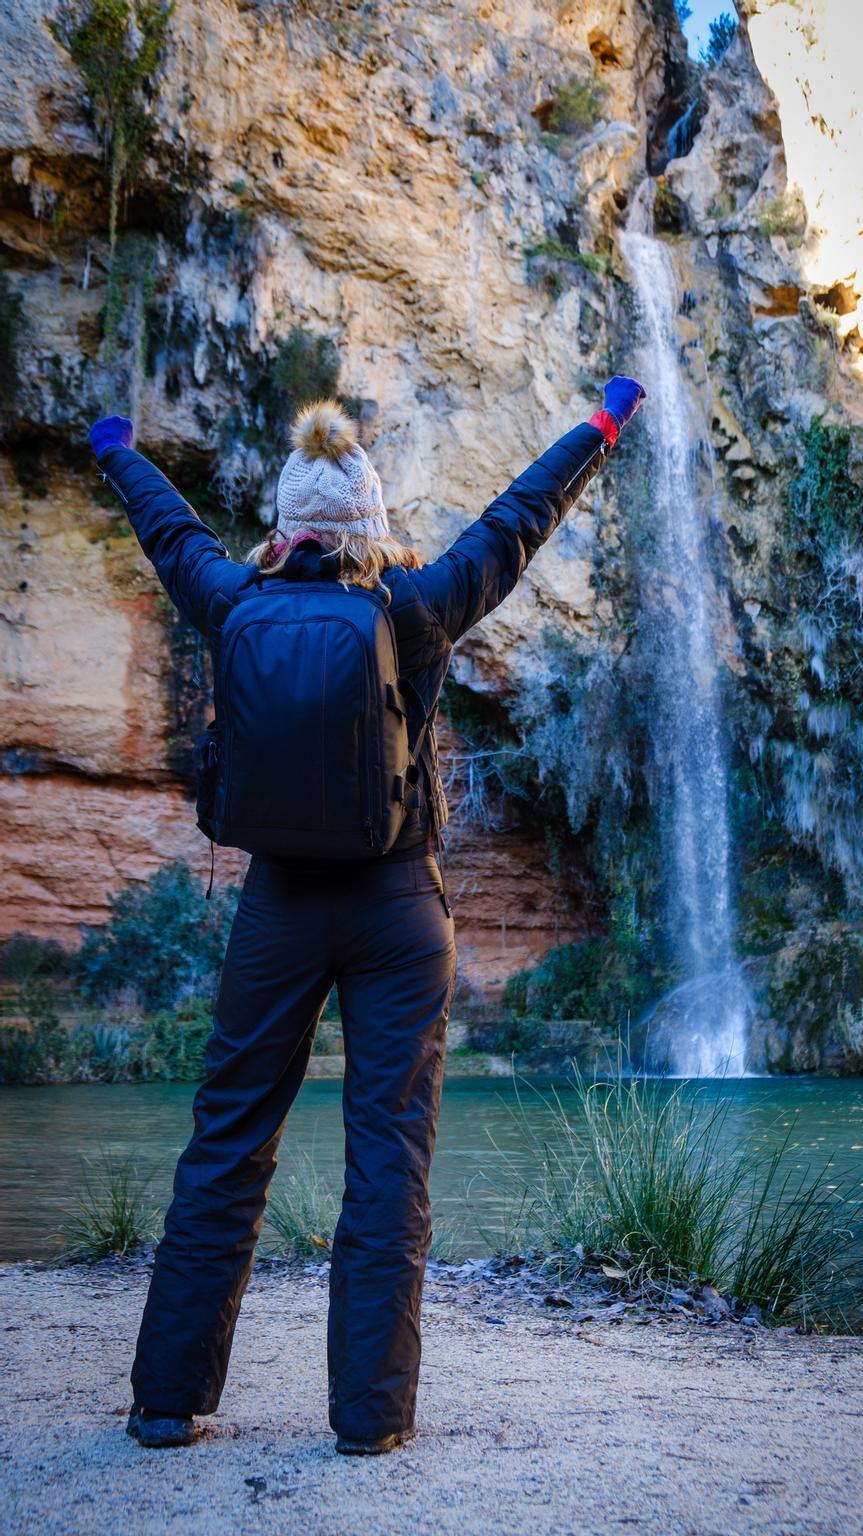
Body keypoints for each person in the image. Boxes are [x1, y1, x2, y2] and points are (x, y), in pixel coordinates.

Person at [86, 373, 646, 1455]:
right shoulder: (417, 604)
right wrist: (600, 424)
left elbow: (171, 528)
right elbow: (518, 517)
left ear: (286, 526)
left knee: (227, 1143)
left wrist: (118, 450)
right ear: (372, 525)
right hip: (398, 912)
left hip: (279, 908)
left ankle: (166, 1402)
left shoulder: (231, 598)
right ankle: (370, 1421)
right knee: (389, 1159)